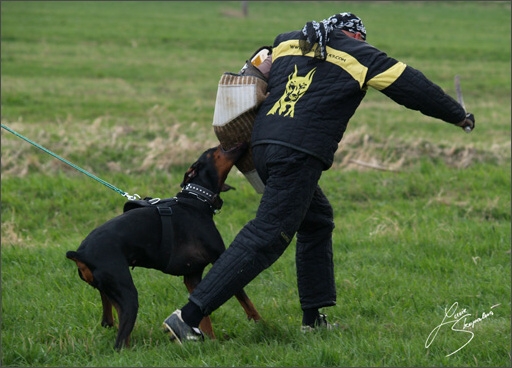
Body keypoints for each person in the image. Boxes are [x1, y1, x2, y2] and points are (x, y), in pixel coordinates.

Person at [162, 12, 475, 342]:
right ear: (355, 36)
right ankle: (189, 316)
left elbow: (251, 72)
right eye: (362, 38)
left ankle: (313, 318)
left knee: (317, 220)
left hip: (263, 145)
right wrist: (458, 116)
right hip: (298, 153)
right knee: (267, 235)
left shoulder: (287, 41)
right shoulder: (363, 56)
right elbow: (414, 88)